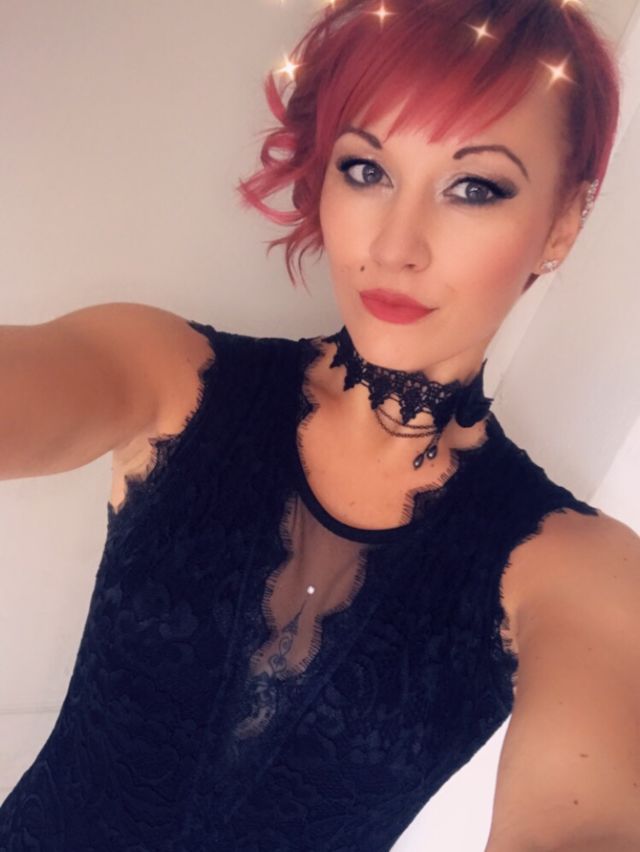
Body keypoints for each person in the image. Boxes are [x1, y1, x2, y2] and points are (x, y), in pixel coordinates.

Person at [1, 1, 639, 850]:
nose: (397, 244)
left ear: (562, 222)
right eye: (366, 169)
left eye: (473, 187)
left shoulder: (584, 571)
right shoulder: (166, 372)